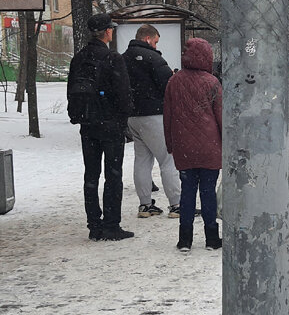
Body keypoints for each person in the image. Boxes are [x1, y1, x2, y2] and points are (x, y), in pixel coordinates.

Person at [68, 13, 134, 241]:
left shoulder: (79, 58)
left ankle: (94, 224)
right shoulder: (113, 58)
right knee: (113, 175)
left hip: (88, 125)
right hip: (111, 125)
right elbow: (124, 94)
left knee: (91, 175)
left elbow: (71, 91)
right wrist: (123, 119)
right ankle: (111, 225)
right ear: (107, 32)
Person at [163, 37, 222, 252]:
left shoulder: (174, 81)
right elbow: (221, 116)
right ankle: (212, 237)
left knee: (187, 192)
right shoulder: (212, 82)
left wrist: (170, 144)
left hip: (184, 147)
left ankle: (184, 238)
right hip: (210, 147)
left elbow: (167, 116)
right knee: (208, 191)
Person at [123, 24, 181, 220]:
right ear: (148, 39)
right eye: (155, 41)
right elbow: (168, 86)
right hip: (155, 114)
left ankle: (145, 205)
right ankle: (176, 204)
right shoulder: (153, 58)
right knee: (168, 158)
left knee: (142, 160)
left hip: (133, 117)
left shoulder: (123, 58)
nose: (156, 46)